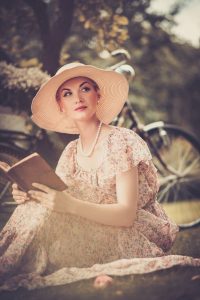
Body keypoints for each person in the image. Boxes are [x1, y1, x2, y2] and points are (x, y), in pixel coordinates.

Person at [0, 62, 199, 291]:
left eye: (85, 89)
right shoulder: (71, 152)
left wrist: (68, 204)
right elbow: (58, 200)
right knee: (37, 204)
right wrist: (30, 193)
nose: (77, 98)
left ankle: (5, 265)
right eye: (67, 94)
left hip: (127, 235)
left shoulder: (121, 140)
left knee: (50, 206)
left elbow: (126, 215)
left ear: (98, 95)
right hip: (87, 234)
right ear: (61, 106)